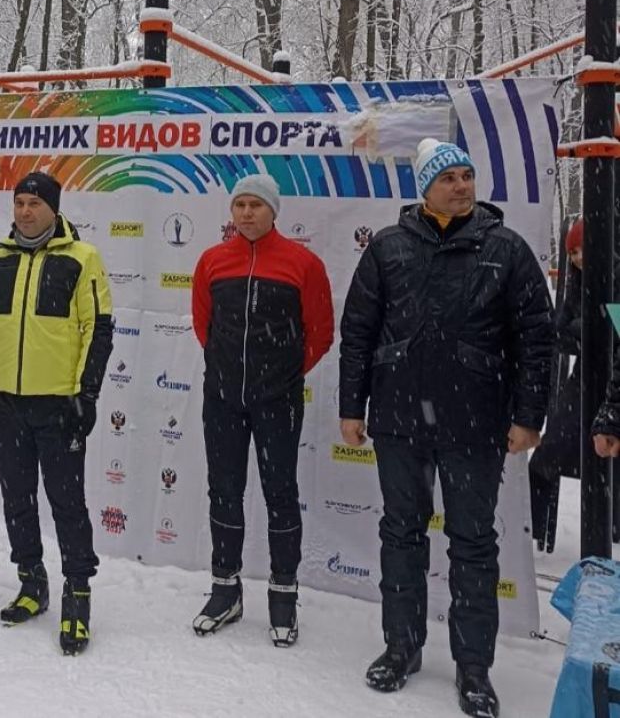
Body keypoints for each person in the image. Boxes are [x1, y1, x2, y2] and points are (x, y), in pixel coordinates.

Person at [338, 138, 554, 718]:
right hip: (399, 419)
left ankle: (474, 667)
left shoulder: (506, 249)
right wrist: (352, 406)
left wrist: (528, 415)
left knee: (474, 543)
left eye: (466, 175)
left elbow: (537, 338)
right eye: (448, 178)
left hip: (475, 421)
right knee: (401, 534)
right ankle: (401, 648)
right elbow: (358, 332)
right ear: (425, 189)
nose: (461, 186)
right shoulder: (387, 247)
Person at [0, 172, 113, 656]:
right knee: (17, 498)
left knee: (67, 502)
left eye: (34, 203)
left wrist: (86, 393)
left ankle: (77, 594)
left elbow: (98, 328)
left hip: (58, 403)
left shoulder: (81, 258)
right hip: (7, 401)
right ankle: (31, 582)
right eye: (19, 202)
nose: (25, 211)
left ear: (54, 208)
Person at [190, 174, 334, 646]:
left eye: (256, 205)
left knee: (280, 494)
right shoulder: (212, 261)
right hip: (223, 399)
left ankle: (283, 594)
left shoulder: (303, 263)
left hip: (278, 401)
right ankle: (225, 590)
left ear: (273, 211)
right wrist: (230, 370)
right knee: (224, 491)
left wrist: (282, 374)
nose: (247, 213)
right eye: (240, 205)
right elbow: (204, 325)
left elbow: (320, 332)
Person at [529, 218, 583, 552]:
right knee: (546, 457)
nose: (577, 258)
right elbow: (562, 332)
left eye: (580, 250)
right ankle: (534, 531)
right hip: (585, 381)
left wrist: (582, 329)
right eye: (572, 252)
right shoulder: (578, 285)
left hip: (600, 381)